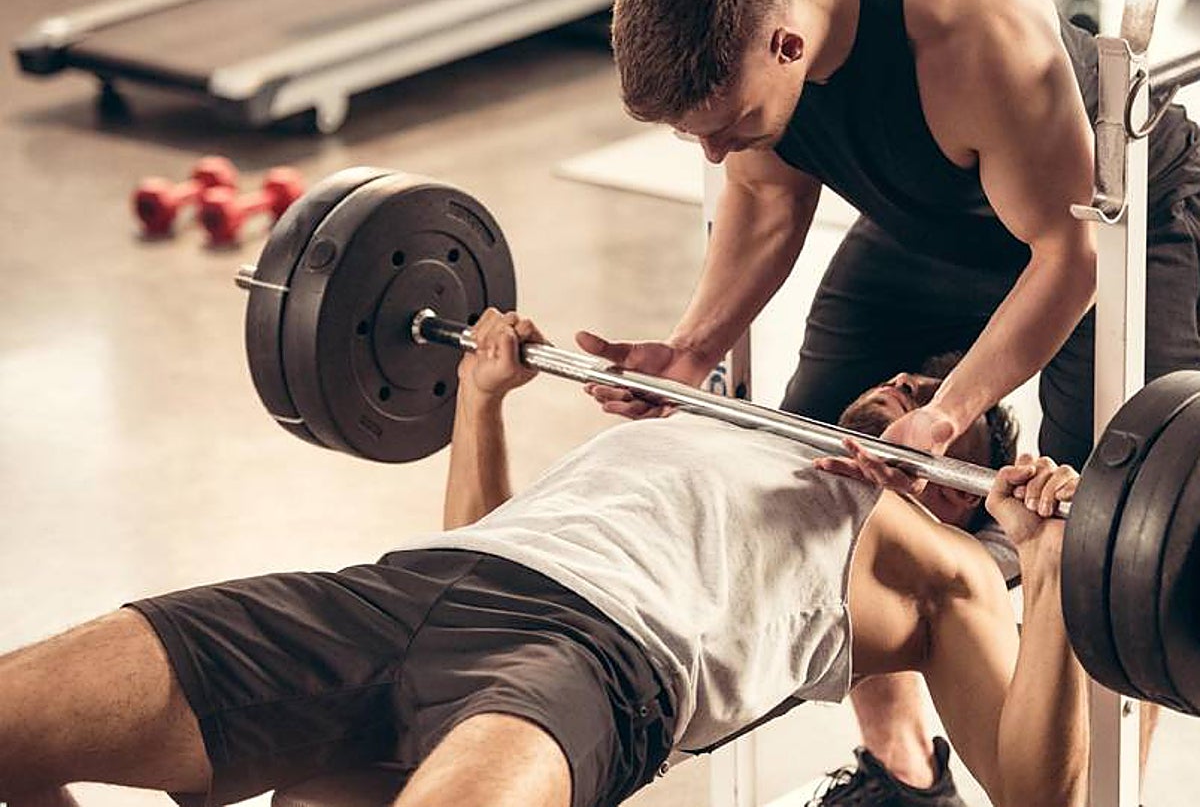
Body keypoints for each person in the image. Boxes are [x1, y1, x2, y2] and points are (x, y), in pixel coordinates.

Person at [0, 310, 1086, 807]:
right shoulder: (706, 426)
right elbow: (489, 530)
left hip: (598, 665)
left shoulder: (932, 565)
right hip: (408, 589)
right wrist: (481, 401)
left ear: (964, 495)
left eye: (951, 425)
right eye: (903, 383)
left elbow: (1041, 795)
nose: (904, 399)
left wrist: (1054, 573)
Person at [578, 0, 1199, 797]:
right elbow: (765, 199)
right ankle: (903, 771)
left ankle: (1092, 789)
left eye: (727, 126)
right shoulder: (758, 43)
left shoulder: (968, 28)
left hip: (1120, 228)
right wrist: (692, 351)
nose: (714, 153)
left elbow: (1068, 256)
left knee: (1109, 535)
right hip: (933, 220)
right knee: (811, 472)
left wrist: (945, 415)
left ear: (788, 46)